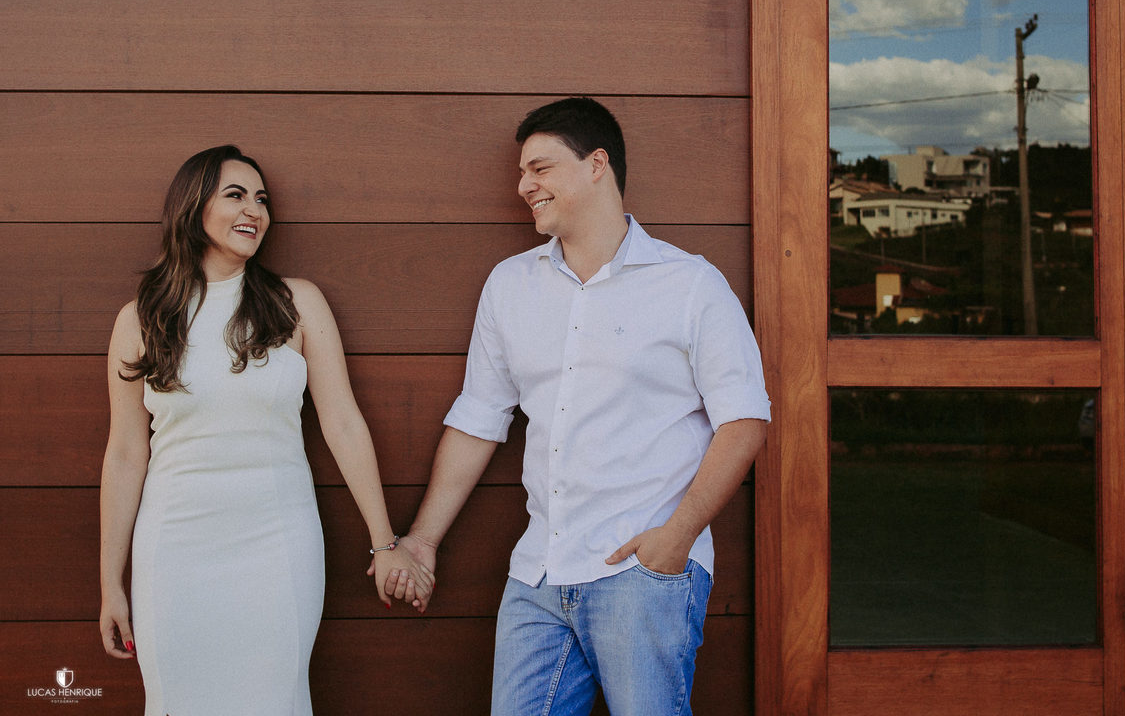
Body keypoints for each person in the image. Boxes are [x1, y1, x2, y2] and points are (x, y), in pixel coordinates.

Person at [388, 98, 770, 715]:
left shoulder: (690, 284)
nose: (523, 186)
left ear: (597, 165)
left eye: (540, 168)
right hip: (538, 574)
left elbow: (745, 421)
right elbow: (480, 418)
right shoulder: (510, 285)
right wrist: (424, 540)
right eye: (520, 173)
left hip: (641, 575)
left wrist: (675, 541)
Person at [98, 145, 432, 715]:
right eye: (235, 195)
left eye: (261, 199)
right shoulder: (141, 318)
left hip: (276, 544)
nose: (254, 209)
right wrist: (111, 583)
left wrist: (386, 542)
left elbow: (343, 423)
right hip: (175, 548)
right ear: (192, 207)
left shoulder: (296, 304)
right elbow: (126, 454)